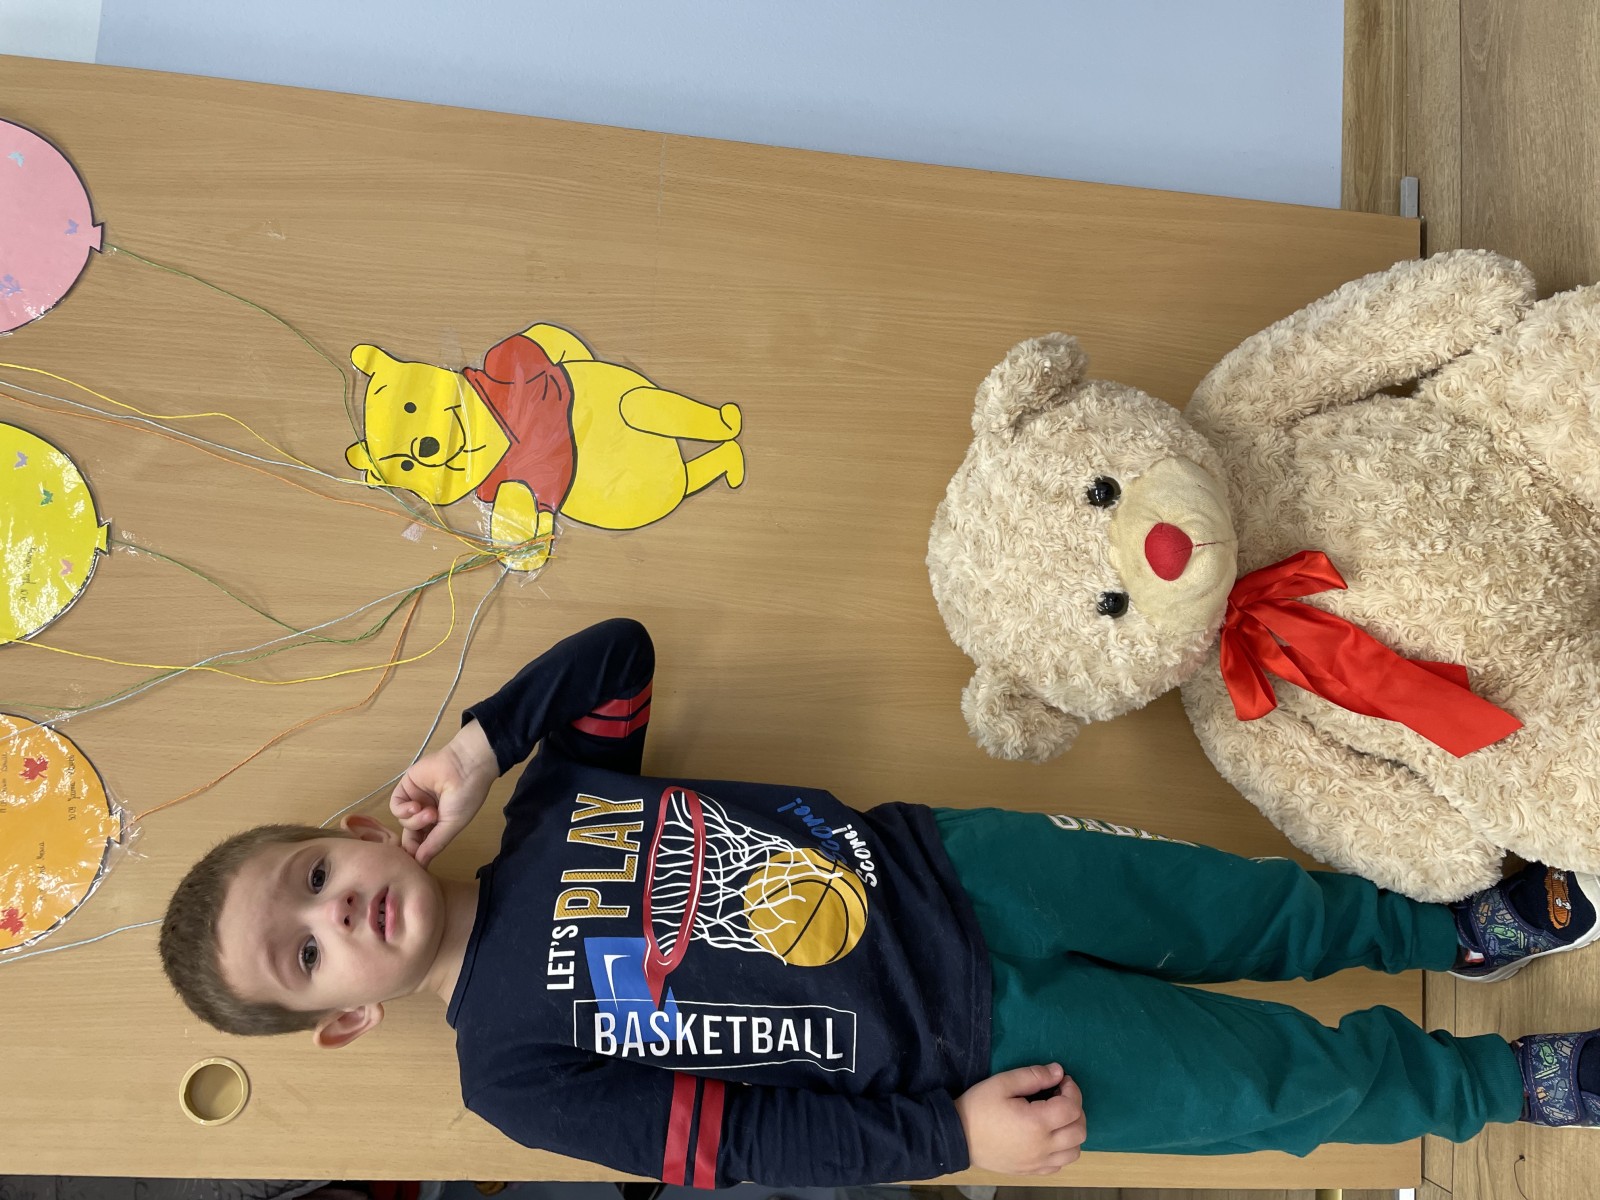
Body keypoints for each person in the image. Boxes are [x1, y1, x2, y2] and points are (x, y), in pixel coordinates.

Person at [159, 619, 1600, 1187]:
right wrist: (950, 1142)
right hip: (976, 1054)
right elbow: (740, 1147)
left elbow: (618, 654)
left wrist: (480, 748)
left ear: (360, 834)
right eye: (304, 957)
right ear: (342, 1022)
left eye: (315, 878)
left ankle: (1442, 930)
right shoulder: (510, 1077)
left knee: (1250, 909)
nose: (337, 917)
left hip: (963, 868)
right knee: (1269, 1087)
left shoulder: (549, 806)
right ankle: (1504, 1084)